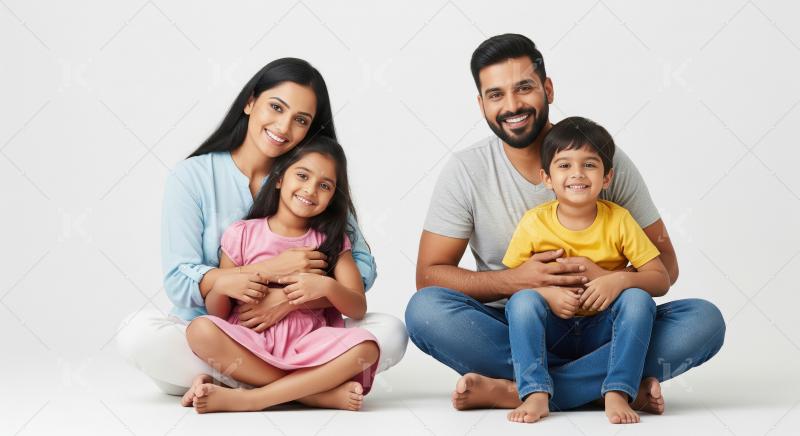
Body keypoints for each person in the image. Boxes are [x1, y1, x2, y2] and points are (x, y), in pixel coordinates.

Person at [405, 33, 725, 414]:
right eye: (496, 95)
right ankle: (612, 384)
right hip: (522, 328)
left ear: (548, 88)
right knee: (425, 311)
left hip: (607, 324)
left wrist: (608, 277)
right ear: (481, 104)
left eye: (524, 87)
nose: (512, 105)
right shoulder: (466, 170)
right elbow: (429, 276)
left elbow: (665, 266)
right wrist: (517, 280)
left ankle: (521, 389)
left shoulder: (603, 160)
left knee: (703, 322)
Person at [117, 58, 407, 397]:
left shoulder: (309, 181)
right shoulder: (192, 177)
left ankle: (238, 384)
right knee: (138, 335)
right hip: (223, 333)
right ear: (250, 101)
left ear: (311, 130)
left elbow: (362, 270)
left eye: (300, 120)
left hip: (303, 335)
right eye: (276, 107)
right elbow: (181, 280)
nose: (284, 127)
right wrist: (268, 270)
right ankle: (311, 391)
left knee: (391, 334)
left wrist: (287, 299)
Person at [184, 137, 380, 413]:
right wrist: (226, 286)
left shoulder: (333, 242)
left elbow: (358, 307)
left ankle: (252, 398)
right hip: (251, 338)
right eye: (302, 175)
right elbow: (218, 311)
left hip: (307, 343)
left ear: (333, 196)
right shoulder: (242, 234)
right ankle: (313, 395)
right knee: (199, 330)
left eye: (325, 186)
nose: (311, 190)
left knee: (368, 348)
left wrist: (325, 286)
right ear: (278, 179)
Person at [502, 116, 670, 424]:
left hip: (605, 332)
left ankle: (617, 390)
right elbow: (511, 285)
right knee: (522, 303)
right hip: (551, 331)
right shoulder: (534, 222)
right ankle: (535, 391)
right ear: (547, 177)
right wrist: (547, 294)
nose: (577, 174)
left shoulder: (619, 220)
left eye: (589, 165)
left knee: (640, 300)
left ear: (607, 177)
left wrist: (617, 281)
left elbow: (661, 279)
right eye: (564, 165)